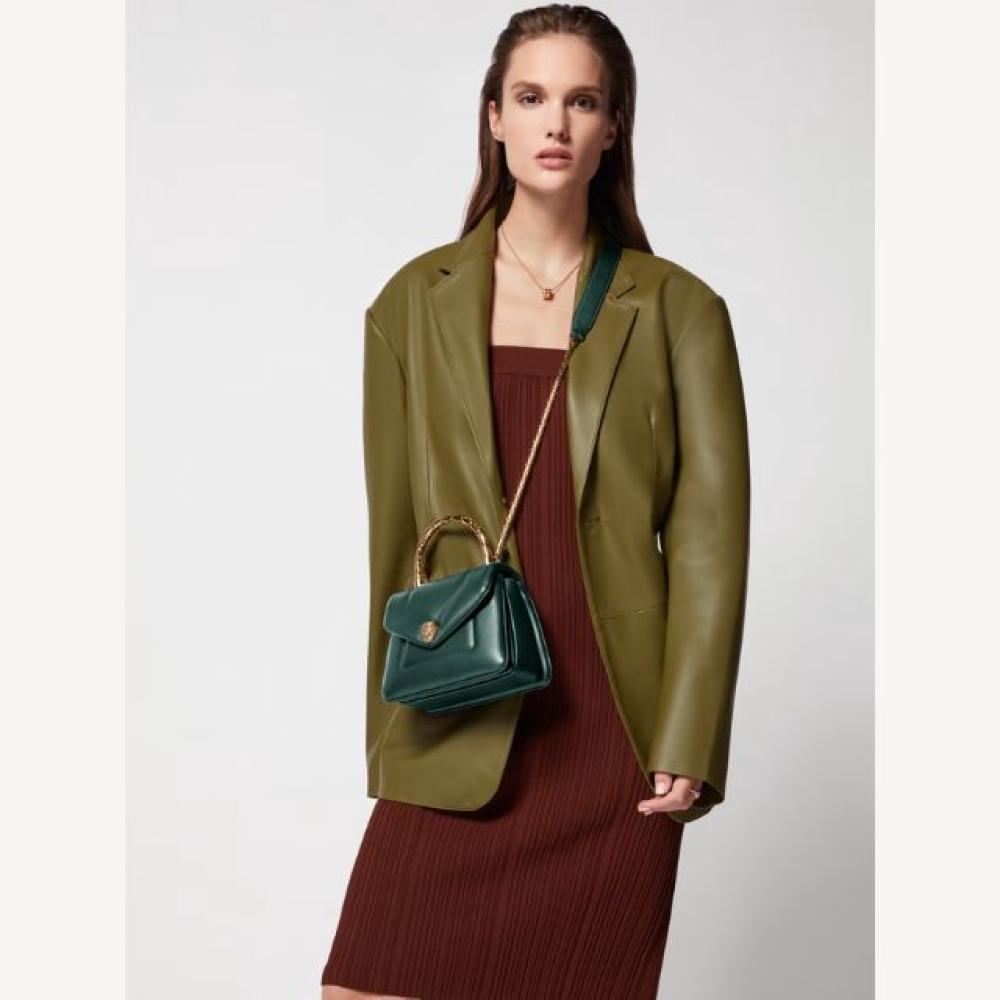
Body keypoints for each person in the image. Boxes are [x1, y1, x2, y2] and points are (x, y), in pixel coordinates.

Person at [321, 5, 750, 998]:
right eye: (531, 96)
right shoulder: (411, 304)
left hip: (614, 734)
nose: (555, 121)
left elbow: (708, 541)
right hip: (463, 707)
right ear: (494, 118)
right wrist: (395, 727)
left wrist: (688, 737)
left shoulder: (679, 310)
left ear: (613, 127)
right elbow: (395, 535)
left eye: (582, 100)